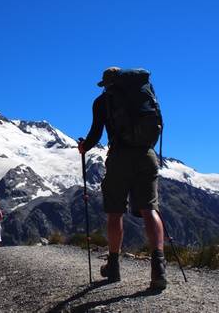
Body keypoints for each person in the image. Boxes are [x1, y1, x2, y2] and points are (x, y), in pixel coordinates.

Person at [78, 67, 167, 290]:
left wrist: (84, 147)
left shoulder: (102, 101)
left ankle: (114, 267)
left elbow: (96, 133)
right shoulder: (143, 94)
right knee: (150, 209)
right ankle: (159, 267)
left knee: (115, 212)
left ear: (106, 83)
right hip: (147, 154)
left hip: (119, 157)